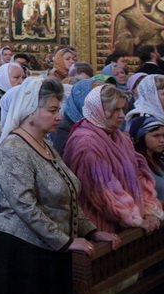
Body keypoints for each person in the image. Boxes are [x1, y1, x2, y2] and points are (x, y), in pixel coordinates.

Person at [0, 77, 122, 294]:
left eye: (59, 109)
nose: (58, 116)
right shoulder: (13, 147)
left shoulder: (44, 143)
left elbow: (68, 193)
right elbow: (25, 205)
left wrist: (91, 231)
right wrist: (65, 241)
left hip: (48, 247)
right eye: (52, 110)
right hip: (22, 251)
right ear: (30, 110)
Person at [63, 84, 164, 234]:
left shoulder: (120, 136)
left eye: (123, 109)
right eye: (116, 110)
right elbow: (104, 191)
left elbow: (139, 174)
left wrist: (149, 210)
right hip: (103, 227)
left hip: (132, 222)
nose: (122, 115)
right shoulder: (86, 143)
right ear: (99, 110)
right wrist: (135, 218)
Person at [131, 114, 164, 202]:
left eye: (163, 135)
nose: (162, 140)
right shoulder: (136, 165)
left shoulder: (160, 161)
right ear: (140, 137)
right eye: (156, 136)